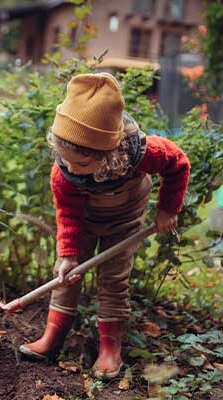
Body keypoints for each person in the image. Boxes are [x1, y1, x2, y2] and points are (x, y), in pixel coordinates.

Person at [19, 73, 190, 379]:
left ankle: (110, 348)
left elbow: (179, 164)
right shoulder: (64, 174)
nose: (71, 168)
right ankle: (52, 337)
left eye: (81, 164)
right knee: (66, 275)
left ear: (110, 153)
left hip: (124, 221)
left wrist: (167, 209)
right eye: (64, 159)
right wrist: (69, 254)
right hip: (83, 221)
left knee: (113, 279)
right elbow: (68, 214)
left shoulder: (145, 153)